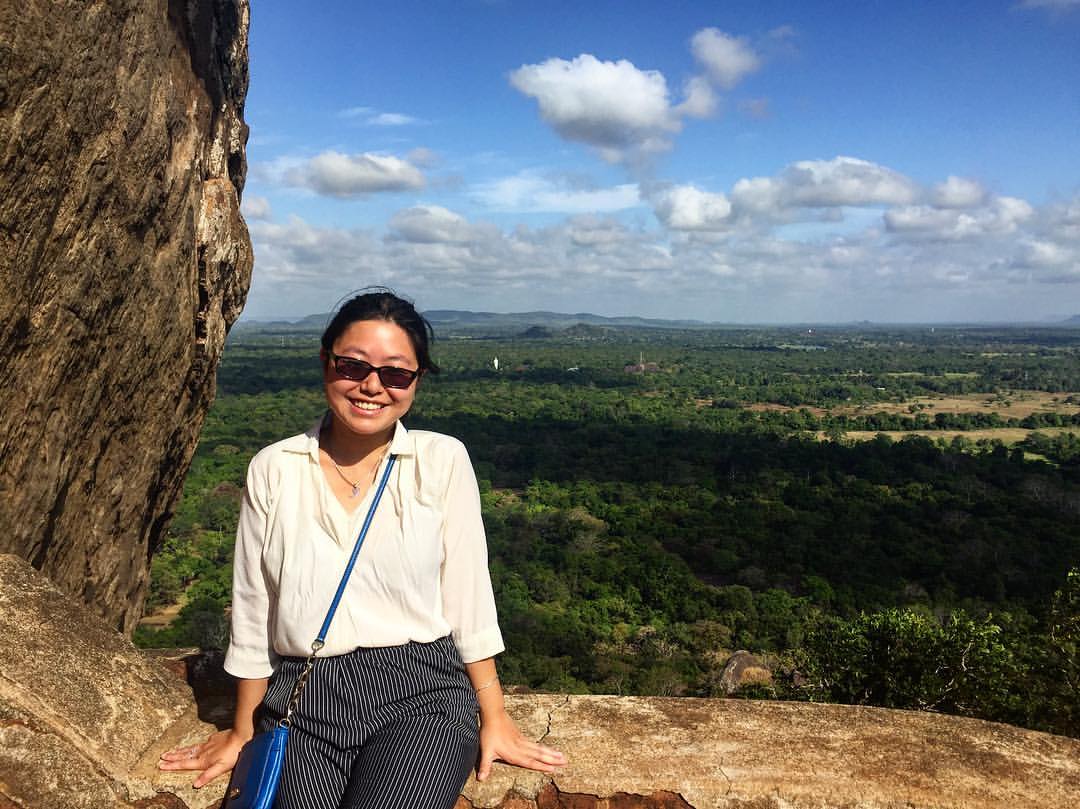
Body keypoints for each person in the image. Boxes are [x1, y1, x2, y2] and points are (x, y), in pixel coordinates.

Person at [159, 290, 566, 808]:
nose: (371, 386)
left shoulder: (440, 462)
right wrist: (243, 730)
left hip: (420, 692)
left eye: (396, 374)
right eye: (352, 366)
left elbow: (468, 595)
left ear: (416, 381)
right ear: (325, 361)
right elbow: (255, 607)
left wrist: (496, 716)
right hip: (303, 696)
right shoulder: (276, 467)